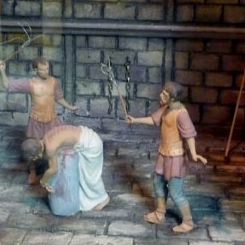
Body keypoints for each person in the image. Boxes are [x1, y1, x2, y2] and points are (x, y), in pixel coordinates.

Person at [125, 82, 207, 233]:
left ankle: (188, 222)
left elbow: (189, 135)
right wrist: (134, 120)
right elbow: (153, 120)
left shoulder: (181, 114)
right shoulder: (166, 109)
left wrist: (194, 153)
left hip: (175, 158)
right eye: (162, 92)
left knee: (176, 192)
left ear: (173, 98)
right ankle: (159, 213)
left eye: (165, 94)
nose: (161, 95)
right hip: (164, 154)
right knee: (158, 183)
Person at [0, 57, 78, 184]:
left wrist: (69, 107)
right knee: (32, 148)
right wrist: (2, 70)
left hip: (52, 120)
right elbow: (7, 85)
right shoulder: (30, 83)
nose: (46, 72)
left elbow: (59, 98)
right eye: (42, 70)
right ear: (35, 70)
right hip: (36, 121)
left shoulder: (54, 82)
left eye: (47, 69)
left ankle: (54, 170)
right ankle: (33, 172)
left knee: (56, 146)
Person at [23, 125, 110, 213]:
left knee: (91, 176)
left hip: (91, 144)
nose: (35, 160)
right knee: (82, 172)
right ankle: (86, 197)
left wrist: (43, 181)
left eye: (34, 158)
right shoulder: (45, 138)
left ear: (36, 155)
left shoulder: (50, 148)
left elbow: (54, 169)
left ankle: (103, 198)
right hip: (85, 138)